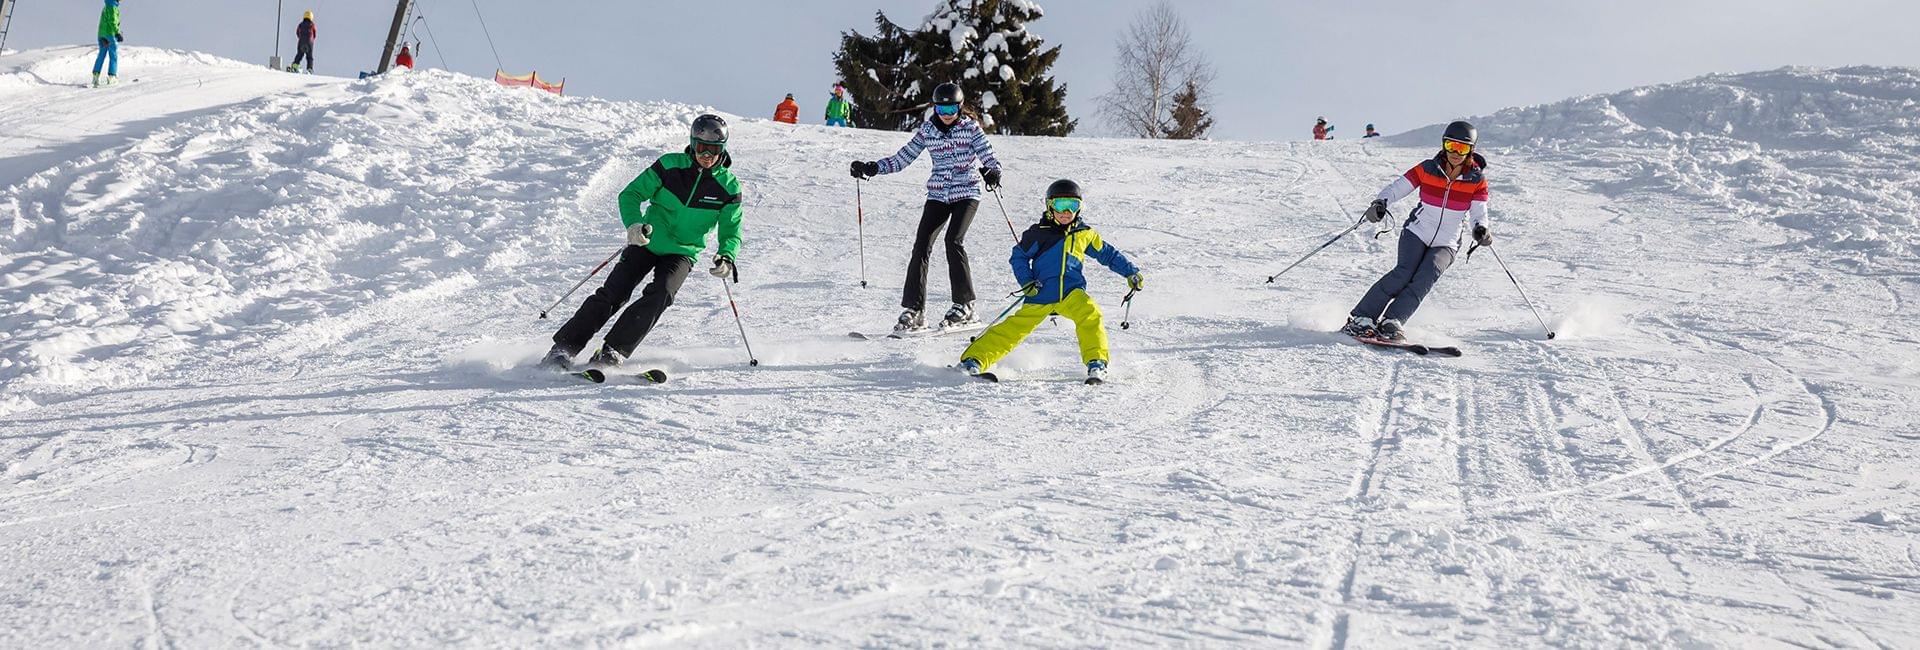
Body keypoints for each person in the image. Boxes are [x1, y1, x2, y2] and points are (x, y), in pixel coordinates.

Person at [541, 114, 744, 369]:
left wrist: (727, 256)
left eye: (714, 149)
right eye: (702, 147)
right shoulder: (670, 165)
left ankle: (613, 351)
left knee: (662, 294)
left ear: (722, 149)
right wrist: (634, 225)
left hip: (682, 252)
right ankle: (563, 349)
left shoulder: (728, 187)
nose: (707, 155)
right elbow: (631, 194)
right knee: (613, 293)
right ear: (693, 144)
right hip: (646, 240)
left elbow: (731, 230)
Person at [848, 82, 1004, 332]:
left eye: (951, 109)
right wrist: (873, 168)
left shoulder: (971, 129)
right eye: (941, 109)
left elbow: (989, 156)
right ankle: (915, 310)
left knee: (953, 241)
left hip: (966, 192)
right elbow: (903, 157)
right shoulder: (928, 131)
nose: (946, 114)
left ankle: (965, 305)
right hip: (939, 194)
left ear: (960, 107)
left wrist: (993, 172)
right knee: (921, 245)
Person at [958, 179, 1143, 383]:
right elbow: (1018, 257)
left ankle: (1097, 364)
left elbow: (1108, 255)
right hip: (1041, 293)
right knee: (1014, 328)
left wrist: (1130, 273)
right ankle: (973, 360)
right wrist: (1026, 281)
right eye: (1061, 205)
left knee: (1091, 314)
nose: (1066, 212)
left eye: (1072, 205)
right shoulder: (1038, 233)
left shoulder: (1084, 234)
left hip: (1071, 293)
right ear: (1049, 206)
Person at [1340, 120, 1491, 342]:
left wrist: (1480, 229)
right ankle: (1361, 318)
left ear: (1471, 150)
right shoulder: (1428, 169)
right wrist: (1381, 202)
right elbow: (1398, 187)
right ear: (1444, 144)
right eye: (1451, 146)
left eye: (1462, 148)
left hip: (1447, 242)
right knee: (1403, 273)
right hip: (1417, 232)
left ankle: (1392, 321)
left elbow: (1479, 212)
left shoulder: (1476, 180)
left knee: (1425, 278)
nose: (1455, 153)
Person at [91, 0, 122, 88]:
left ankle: (95, 76)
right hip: (110, 34)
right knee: (113, 55)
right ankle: (112, 77)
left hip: (101, 34)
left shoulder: (107, 5)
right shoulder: (112, 6)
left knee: (101, 54)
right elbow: (113, 20)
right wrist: (117, 32)